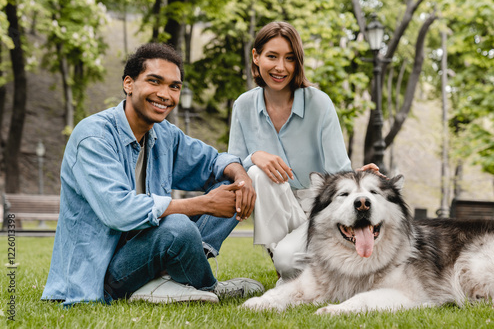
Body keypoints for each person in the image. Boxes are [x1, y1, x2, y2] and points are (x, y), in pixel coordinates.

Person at [41, 43, 264, 306]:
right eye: (154, 81)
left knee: (238, 180)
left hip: (148, 247)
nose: (165, 94)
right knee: (177, 227)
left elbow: (213, 161)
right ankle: (207, 285)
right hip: (103, 273)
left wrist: (241, 173)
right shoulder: (94, 137)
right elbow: (118, 211)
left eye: (174, 86)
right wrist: (203, 204)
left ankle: (171, 277)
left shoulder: (164, 135)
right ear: (128, 84)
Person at [228, 21, 380, 282]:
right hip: (275, 204)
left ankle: (293, 266)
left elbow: (338, 170)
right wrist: (254, 156)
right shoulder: (243, 106)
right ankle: (288, 267)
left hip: (318, 207)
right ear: (256, 57)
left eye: (290, 58)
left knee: (290, 263)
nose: (280, 67)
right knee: (255, 172)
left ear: (298, 62)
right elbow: (232, 167)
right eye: (272, 56)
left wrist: (361, 181)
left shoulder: (319, 103)